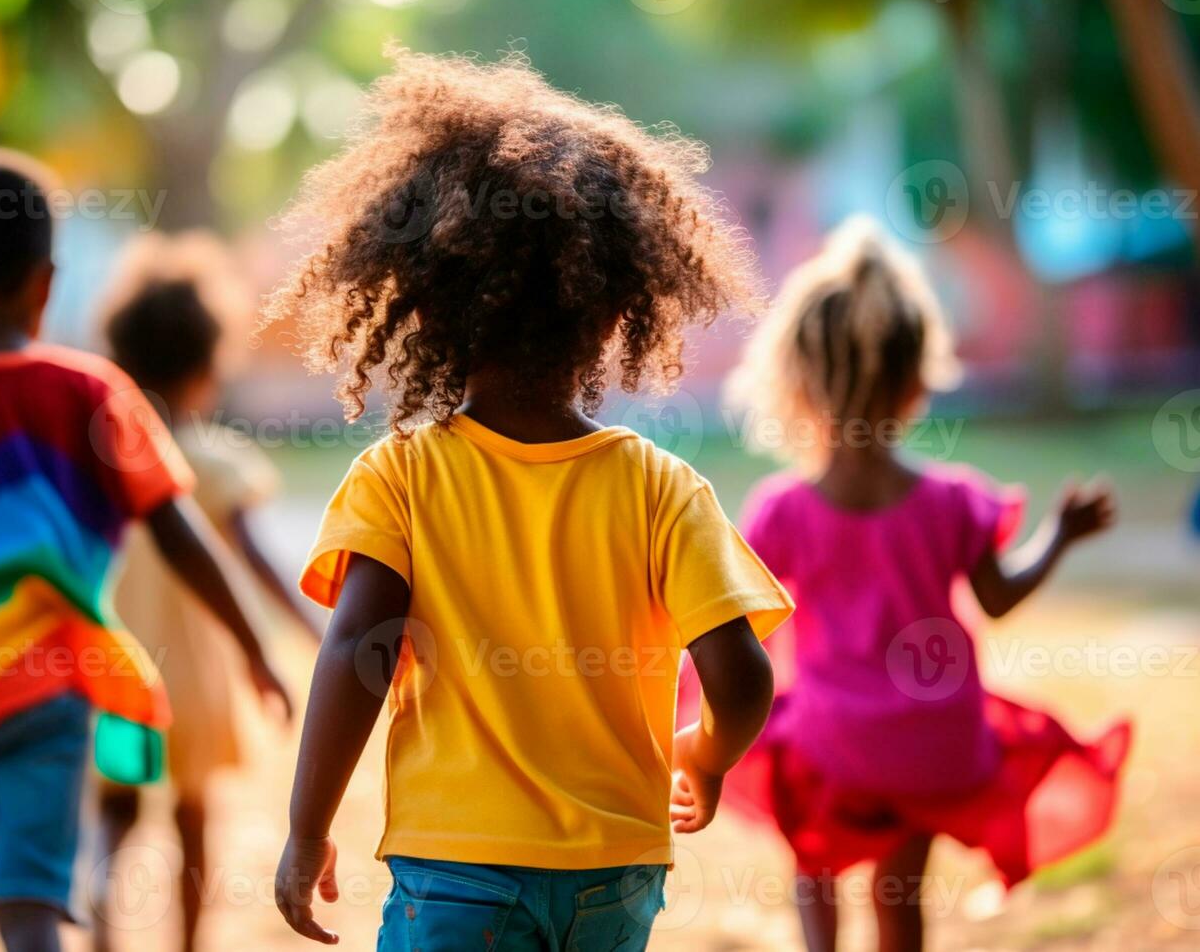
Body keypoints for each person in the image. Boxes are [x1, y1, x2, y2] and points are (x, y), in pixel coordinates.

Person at [267, 47, 795, 950]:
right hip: (615, 872)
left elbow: (359, 650)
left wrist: (307, 829)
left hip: (455, 873)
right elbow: (742, 678)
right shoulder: (662, 487)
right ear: (615, 311)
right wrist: (703, 761)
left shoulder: (400, 478)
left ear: (425, 307)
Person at [0, 149, 291, 952]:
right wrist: (255, 649)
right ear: (46, 285)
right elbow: (183, 538)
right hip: (51, 697)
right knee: (31, 900)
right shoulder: (93, 395)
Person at [689, 215, 1130, 952]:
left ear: (800, 379)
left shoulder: (785, 512)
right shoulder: (955, 501)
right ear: (915, 381)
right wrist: (1058, 536)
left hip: (833, 747)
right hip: (931, 743)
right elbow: (998, 596)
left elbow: (741, 620)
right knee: (901, 899)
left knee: (813, 866)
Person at [90, 232, 321, 952]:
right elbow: (257, 561)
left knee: (117, 811)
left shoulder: (106, 452)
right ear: (206, 368)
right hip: (192, 680)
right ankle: (187, 945)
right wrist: (313, 633)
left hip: (116, 670)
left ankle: (99, 916)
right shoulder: (217, 460)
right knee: (193, 818)